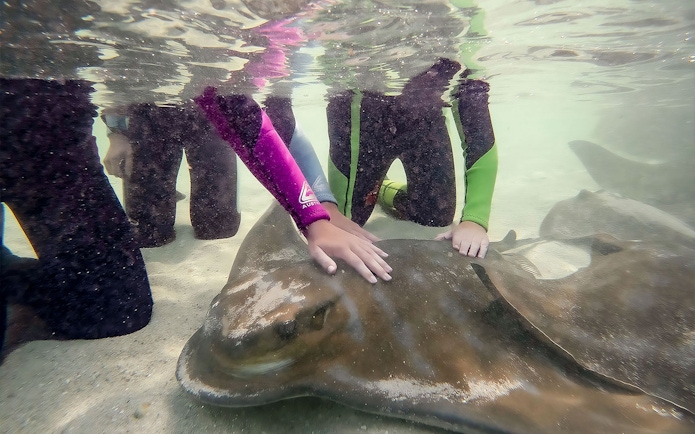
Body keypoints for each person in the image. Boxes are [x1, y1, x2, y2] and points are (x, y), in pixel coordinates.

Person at [0, 78, 153, 359]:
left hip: (51, 138)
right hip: (40, 127)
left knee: (119, 309)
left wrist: (116, 128)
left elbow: (120, 62)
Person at [195, 88, 392, 284]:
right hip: (190, 117)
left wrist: (325, 204)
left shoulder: (276, 65)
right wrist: (314, 220)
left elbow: (285, 127)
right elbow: (244, 119)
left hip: (218, 112)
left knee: (218, 227)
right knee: (184, 231)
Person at [326, 58, 498, 258]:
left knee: (435, 216)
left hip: (424, 121)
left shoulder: (456, 46)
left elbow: (480, 140)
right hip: (363, 120)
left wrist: (474, 220)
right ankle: (375, 187)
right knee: (349, 222)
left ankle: (382, 188)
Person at [101, 102, 240, 248]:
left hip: (207, 112)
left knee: (219, 227)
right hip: (149, 114)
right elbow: (116, 83)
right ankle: (160, 195)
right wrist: (117, 133)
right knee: (148, 232)